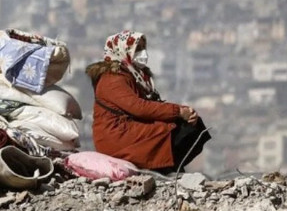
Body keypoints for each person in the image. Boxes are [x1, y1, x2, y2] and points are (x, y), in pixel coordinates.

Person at [86, 30, 211, 173]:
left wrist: (182, 111)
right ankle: (165, 167)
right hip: (117, 135)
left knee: (192, 125)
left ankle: (169, 166)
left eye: (143, 48)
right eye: (137, 49)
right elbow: (138, 107)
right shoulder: (112, 79)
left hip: (127, 128)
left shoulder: (133, 75)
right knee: (173, 131)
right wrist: (178, 112)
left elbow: (148, 105)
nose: (143, 53)